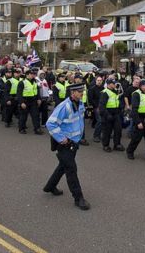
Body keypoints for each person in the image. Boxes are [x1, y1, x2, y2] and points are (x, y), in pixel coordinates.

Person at [43, 83, 91, 211]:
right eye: (79, 91)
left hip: (74, 142)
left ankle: (50, 186)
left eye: (82, 91)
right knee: (71, 169)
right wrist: (61, 138)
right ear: (72, 92)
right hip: (65, 144)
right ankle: (78, 198)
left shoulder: (80, 104)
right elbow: (50, 123)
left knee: (63, 166)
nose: (82, 93)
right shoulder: (64, 106)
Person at [99, 79, 124, 152]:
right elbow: (102, 106)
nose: (115, 85)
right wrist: (107, 115)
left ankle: (117, 144)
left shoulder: (115, 91)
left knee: (118, 130)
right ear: (109, 84)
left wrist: (120, 108)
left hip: (116, 113)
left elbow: (118, 101)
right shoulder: (104, 93)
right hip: (108, 114)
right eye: (113, 83)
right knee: (107, 131)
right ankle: (106, 145)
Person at [17, 70, 43, 135]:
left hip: (33, 101)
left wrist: (39, 99)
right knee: (23, 116)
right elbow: (19, 94)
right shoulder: (22, 82)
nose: (33, 75)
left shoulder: (35, 82)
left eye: (34, 74)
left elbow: (37, 92)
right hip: (25, 101)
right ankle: (22, 128)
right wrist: (21, 102)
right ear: (27, 75)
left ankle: (37, 129)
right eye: (31, 74)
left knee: (36, 116)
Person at [87, 75, 104, 143]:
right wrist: (97, 106)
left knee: (103, 121)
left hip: (103, 107)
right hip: (96, 107)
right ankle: (96, 136)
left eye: (100, 80)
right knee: (99, 121)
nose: (99, 82)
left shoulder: (103, 89)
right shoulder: (92, 88)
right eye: (98, 80)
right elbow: (90, 99)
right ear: (95, 81)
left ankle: (100, 135)